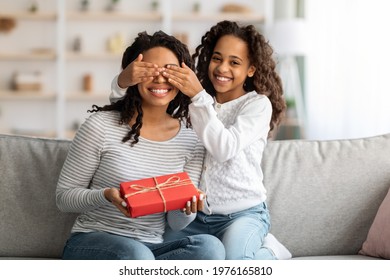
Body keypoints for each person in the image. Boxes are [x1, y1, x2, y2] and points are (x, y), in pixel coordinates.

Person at [110, 21, 291, 260]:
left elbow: (224, 148)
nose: (222, 68)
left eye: (234, 62)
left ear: (251, 69)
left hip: (242, 214)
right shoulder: (193, 103)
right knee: (161, 256)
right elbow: (124, 111)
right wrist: (123, 80)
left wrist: (197, 96)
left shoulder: (256, 105)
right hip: (194, 217)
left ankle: (271, 251)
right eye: (217, 58)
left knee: (236, 264)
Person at [56, 30, 225, 260]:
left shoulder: (191, 138)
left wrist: (187, 210)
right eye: (150, 71)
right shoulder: (101, 126)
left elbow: (175, 224)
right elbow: (64, 198)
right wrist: (105, 195)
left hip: (151, 248)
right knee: (138, 256)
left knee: (210, 248)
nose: (160, 79)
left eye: (170, 71)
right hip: (92, 241)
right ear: (133, 75)